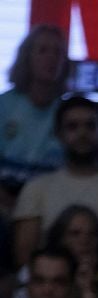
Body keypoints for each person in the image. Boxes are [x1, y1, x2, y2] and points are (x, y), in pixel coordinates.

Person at [10, 97, 98, 274]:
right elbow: (24, 254)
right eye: (73, 127)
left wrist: (91, 281)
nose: (82, 134)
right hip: (46, 288)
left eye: (90, 126)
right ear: (59, 134)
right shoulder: (36, 188)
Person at [0, 26, 67, 192]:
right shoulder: (4, 105)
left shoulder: (67, 113)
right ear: (27, 58)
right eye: (43, 50)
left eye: (58, 52)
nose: (51, 58)